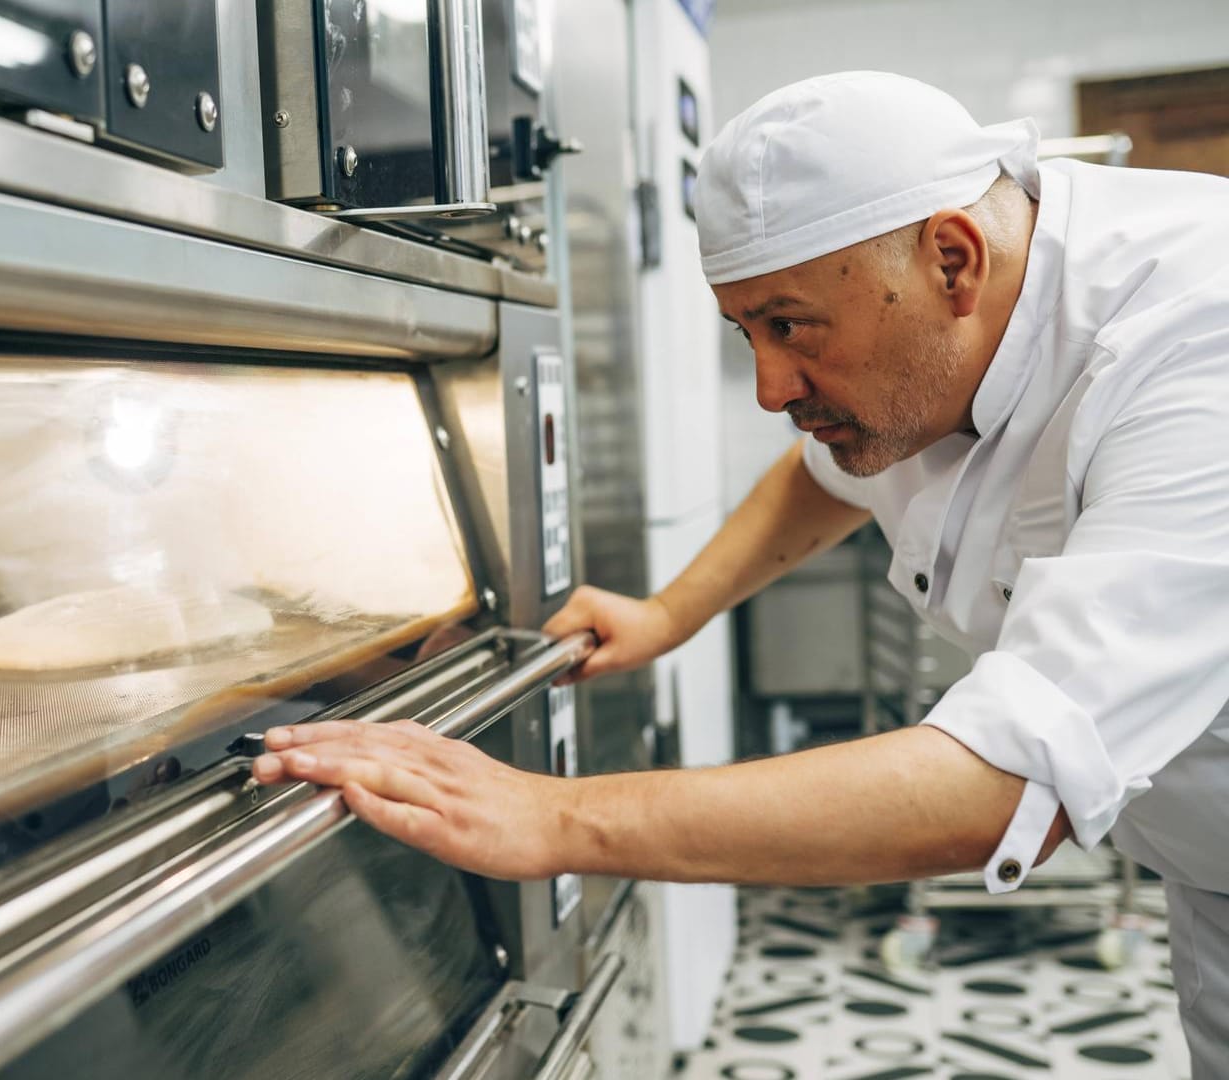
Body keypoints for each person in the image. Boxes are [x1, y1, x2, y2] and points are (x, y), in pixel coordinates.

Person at [249, 71, 1229, 1067]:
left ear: (953, 258)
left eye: (791, 326)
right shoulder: (944, 328)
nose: (770, 388)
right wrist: (670, 613)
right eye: (746, 331)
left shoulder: (1198, 346)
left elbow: (1000, 784)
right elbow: (820, 476)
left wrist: (554, 818)